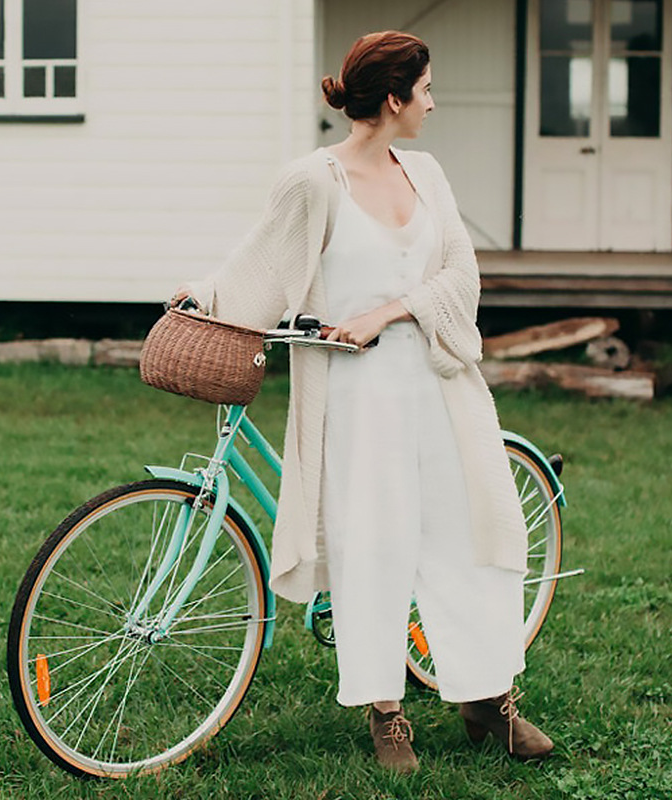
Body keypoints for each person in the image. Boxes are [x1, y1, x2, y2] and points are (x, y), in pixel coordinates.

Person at [173, 30, 553, 773]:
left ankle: (489, 697)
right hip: (356, 401)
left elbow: (462, 281)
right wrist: (206, 297)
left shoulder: (428, 175)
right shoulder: (314, 181)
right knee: (372, 549)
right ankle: (387, 712)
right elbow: (262, 260)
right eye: (428, 90)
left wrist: (389, 312)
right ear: (393, 98)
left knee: (469, 544)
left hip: (440, 390)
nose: (434, 103)